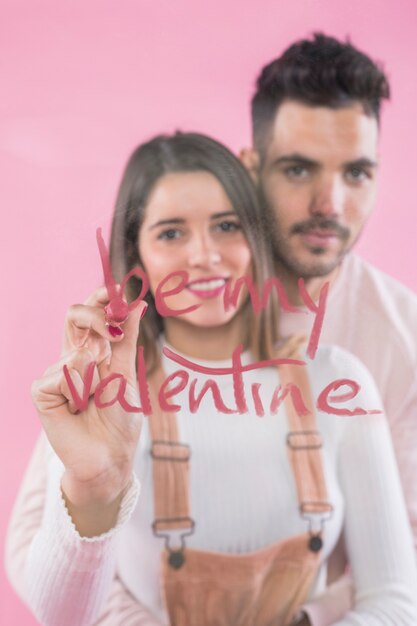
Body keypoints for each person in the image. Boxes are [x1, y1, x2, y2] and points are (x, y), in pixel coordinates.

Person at [5, 132, 417, 626]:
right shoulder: (104, 400)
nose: (204, 255)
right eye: (171, 233)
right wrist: (94, 487)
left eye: (226, 225)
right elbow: (64, 618)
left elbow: (396, 600)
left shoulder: (340, 383)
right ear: (138, 261)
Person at [240, 33, 417, 625]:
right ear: (251, 168)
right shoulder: (171, 310)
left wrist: (308, 620)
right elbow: (43, 531)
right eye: (299, 169)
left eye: (357, 173)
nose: (330, 203)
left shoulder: (404, 337)